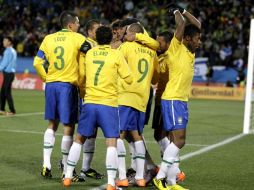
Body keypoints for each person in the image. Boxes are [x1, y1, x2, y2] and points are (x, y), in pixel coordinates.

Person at [63, 26, 133, 190]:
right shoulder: (116, 54)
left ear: (97, 38)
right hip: (108, 104)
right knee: (111, 143)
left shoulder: (90, 54)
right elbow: (128, 78)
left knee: (79, 139)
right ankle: (110, 183)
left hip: (90, 102)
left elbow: (82, 76)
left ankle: (67, 176)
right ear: (109, 39)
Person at [33, 11, 87, 179]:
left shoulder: (48, 38)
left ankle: (46, 164)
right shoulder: (78, 38)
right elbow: (87, 58)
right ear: (70, 25)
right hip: (67, 86)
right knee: (68, 127)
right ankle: (65, 169)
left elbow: (37, 62)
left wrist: (47, 78)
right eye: (77, 23)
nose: (79, 26)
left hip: (51, 85)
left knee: (52, 124)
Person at [153, 5, 201, 190]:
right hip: (173, 100)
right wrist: (176, 12)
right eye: (197, 39)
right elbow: (181, 24)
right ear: (187, 39)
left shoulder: (190, 52)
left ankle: (172, 183)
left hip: (180, 100)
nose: (200, 41)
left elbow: (196, 25)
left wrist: (185, 9)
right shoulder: (177, 48)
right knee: (180, 140)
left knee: (175, 141)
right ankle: (161, 177)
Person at [116, 23, 159, 187]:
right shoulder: (152, 52)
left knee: (118, 135)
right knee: (136, 135)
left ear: (133, 34)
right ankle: (140, 177)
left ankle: (121, 176)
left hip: (125, 96)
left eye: (127, 32)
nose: (125, 35)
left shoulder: (126, 47)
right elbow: (155, 79)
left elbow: (115, 65)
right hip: (142, 99)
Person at [0, 36, 17, 115]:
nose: (3, 42)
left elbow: (4, 63)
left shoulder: (8, 51)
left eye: (5, 40)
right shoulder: (13, 51)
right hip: (10, 74)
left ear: (9, 42)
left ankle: (12, 110)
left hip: (8, 74)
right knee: (3, 91)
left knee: (6, 92)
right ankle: (1, 109)